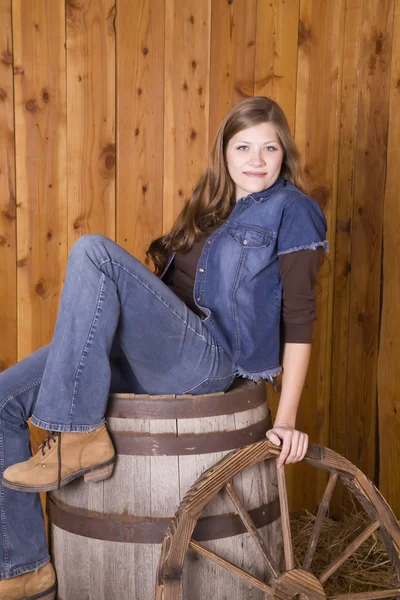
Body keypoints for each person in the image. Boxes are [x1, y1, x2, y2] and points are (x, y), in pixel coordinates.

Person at [0, 96, 327, 599]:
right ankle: (24, 568)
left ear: (285, 153)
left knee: (93, 252)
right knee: (3, 399)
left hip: (208, 363)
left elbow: (300, 321)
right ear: (224, 152)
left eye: (269, 147)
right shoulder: (209, 205)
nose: (256, 159)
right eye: (243, 146)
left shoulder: (294, 211)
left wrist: (286, 419)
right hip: (158, 351)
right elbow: (165, 296)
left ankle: (78, 436)